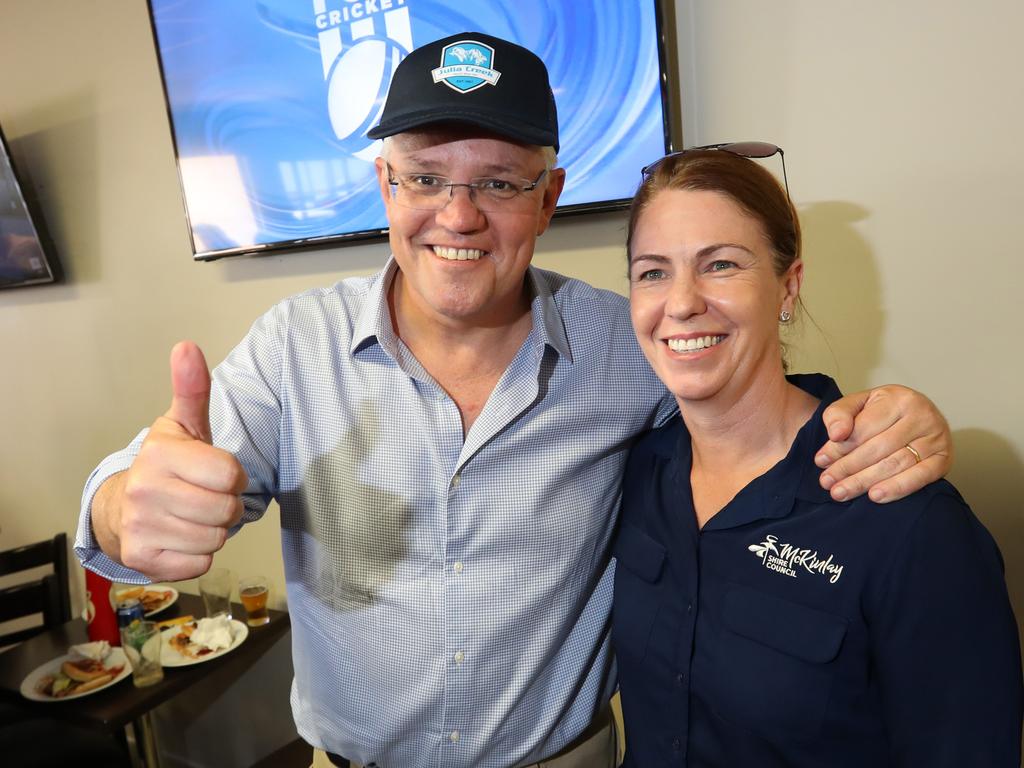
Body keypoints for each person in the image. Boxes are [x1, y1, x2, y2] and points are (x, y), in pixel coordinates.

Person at [76, 34, 953, 768]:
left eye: (498, 182)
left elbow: (746, 400)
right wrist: (125, 511)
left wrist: (880, 415)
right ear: (387, 188)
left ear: (548, 199)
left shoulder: (629, 340)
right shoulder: (293, 347)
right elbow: (142, 496)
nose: (458, 216)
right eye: (426, 178)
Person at [612, 146, 1023, 766]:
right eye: (653, 272)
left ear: (788, 285)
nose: (682, 303)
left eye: (720, 264)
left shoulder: (906, 519)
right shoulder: (640, 469)